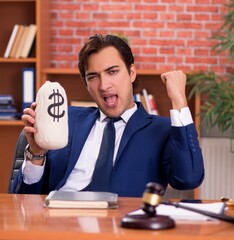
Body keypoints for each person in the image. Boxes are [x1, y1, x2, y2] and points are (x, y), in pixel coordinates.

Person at [10, 34, 204, 197]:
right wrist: (36, 154)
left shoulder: (161, 129)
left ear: (132, 72)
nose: (104, 85)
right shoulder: (63, 119)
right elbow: (22, 198)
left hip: (121, 228)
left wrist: (179, 100)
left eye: (112, 72)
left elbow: (189, 179)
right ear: (86, 84)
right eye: (93, 77)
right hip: (58, 223)